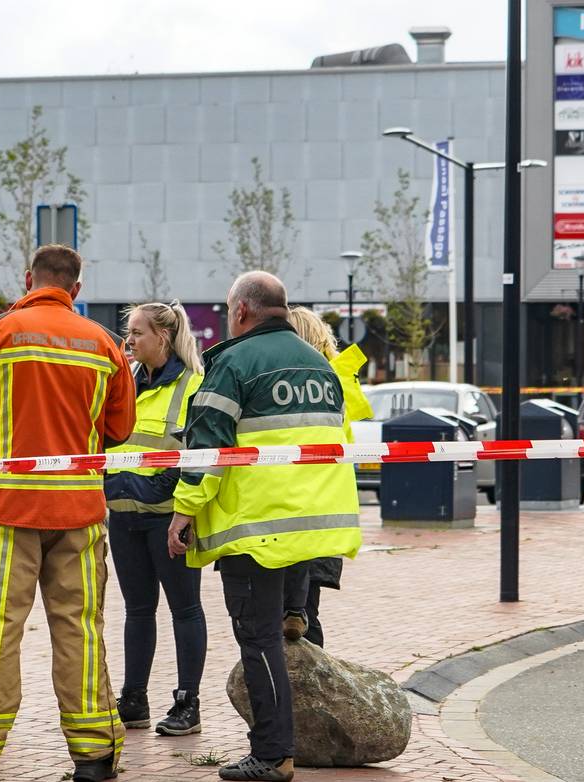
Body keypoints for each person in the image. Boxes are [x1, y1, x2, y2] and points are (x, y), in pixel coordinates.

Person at [0, 244, 135, 782]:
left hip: (7, 510)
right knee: (80, 628)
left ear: (28, 279)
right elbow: (118, 431)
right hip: (79, 511)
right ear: (76, 288)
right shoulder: (104, 344)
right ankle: (96, 756)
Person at [167, 271, 362, 782]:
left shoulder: (233, 363)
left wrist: (184, 511)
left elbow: (206, 451)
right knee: (285, 630)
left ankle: (274, 753)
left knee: (258, 639)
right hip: (311, 523)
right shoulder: (320, 364)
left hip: (257, 525)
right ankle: (285, 744)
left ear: (241, 312)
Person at [105, 301, 207, 737]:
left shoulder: (193, 384)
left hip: (169, 517)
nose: (129, 341)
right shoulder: (123, 380)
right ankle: (134, 699)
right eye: (129, 333)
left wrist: (166, 496)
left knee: (184, 609)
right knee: (137, 610)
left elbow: (198, 454)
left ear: (162, 336)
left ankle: (188, 703)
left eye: (137, 333)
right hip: (123, 515)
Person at [279, 306, 371, 647]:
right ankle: (313, 686)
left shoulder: (303, 386)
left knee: (290, 609)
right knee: (307, 609)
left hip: (295, 504)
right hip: (327, 508)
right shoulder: (338, 381)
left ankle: (293, 693)